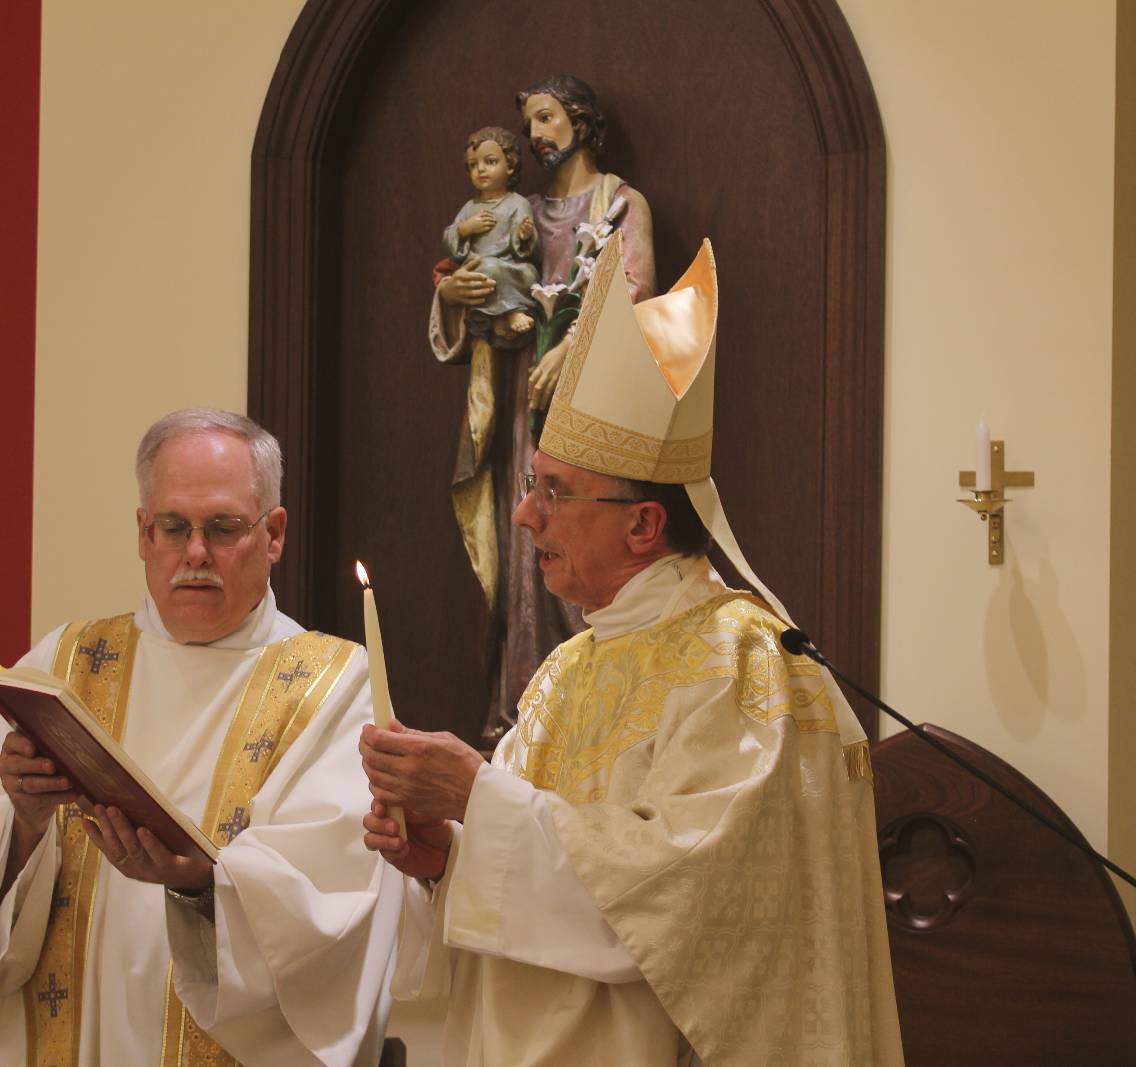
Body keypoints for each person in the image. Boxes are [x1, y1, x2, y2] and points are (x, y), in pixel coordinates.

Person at [367, 237, 903, 1065]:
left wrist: (479, 794)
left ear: (644, 524)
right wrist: (445, 857)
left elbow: (687, 899)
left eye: (552, 491)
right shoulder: (565, 670)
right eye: (529, 485)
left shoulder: (743, 661)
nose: (523, 515)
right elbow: (536, 877)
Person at [0, 409, 403, 1067]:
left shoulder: (333, 684)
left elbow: (340, 897)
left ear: (275, 533)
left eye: (224, 527)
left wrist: (203, 884)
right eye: (174, 527)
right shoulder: (66, 661)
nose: (195, 553)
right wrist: (24, 822)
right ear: (145, 533)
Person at [430, 74, 657, 745]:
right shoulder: (514, 209)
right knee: (521, 556)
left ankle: (586, 709)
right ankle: (523, 712)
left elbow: (640, 295)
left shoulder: (620, 204)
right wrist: (455, 296)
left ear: (581, 122)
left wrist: (576, 348)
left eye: (548, 118)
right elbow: (474, 281)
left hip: (591, 412)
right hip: (521, 408)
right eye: (529, 123)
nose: (536, 135)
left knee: (586, 540)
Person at [441, 125, 540, 342]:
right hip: (482, 269)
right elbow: (450, 242)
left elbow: (527, 250)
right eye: (473, 165)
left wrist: (524, 236)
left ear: (510, 166)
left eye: (490, 162)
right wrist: (465, 229)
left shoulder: (518, 203)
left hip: (511, 269)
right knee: (483, 271)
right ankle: (502, 317)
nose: (481, 169)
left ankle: (507, 314)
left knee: (527, 273)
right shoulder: (469, 208)